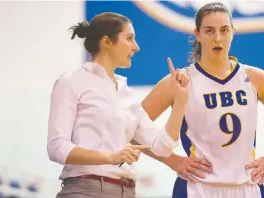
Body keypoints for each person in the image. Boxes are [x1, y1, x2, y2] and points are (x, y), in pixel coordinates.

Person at [137, 2, 264, 198]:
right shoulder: (179, 81)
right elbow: (132, 129)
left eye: (224, 30)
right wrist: (173, 160)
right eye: (209, 31)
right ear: (197, 34)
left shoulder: (254, 78)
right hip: (196, 188)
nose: (218, 38)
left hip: (247, 187)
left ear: (232, 32)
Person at [47, 12, 190, 198]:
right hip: (84, 190)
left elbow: (162, 147)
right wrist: (109, 157)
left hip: (128, 191)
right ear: (106, 41)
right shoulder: (70, 82)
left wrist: (180, 101)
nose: (137, 47)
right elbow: (56, 146)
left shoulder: (125, 93)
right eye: (129, 38)